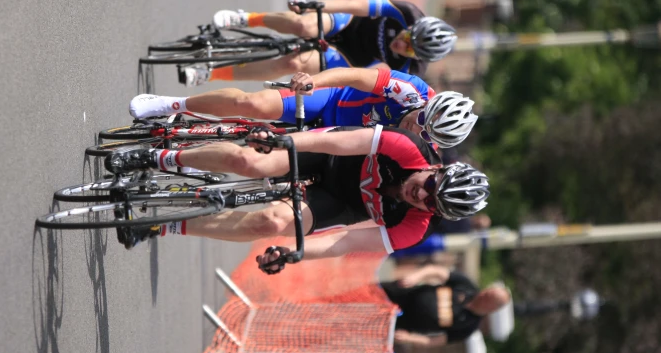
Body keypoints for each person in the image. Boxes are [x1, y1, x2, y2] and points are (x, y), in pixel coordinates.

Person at [104, 117, 490, 273]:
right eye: (431, 186)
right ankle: (163, 156)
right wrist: (282, 140)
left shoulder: (415, 227)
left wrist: (293, 256)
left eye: (430, 202)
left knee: (272, 222)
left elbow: (345, 240)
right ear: (436, 169)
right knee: (253, 163)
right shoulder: (407, 147)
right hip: (329, 157)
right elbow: (343, 142)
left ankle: (164, 225)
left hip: (339, 203)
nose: (421, 194)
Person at [130, 68, 478, 149]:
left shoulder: (422, 148)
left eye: (426, 135)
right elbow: (355, 75)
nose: (416, 131)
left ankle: (198, 150)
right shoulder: (412, 92)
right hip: (332, 100)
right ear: (426, 105)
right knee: (253, 104)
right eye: (421, 121)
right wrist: (314, 81)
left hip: (338, 140)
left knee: (262, 155)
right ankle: (170, 103)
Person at [180, 0, 457, 87]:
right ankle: (247, 19)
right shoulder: (406, 12)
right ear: (412, 27)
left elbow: (363, 79)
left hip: (351, 57)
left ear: (418, 58)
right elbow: (355, 4)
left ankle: (210, 74)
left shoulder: (412, 72)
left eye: (409, 50)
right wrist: (315, 4)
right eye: (407, 38)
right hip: (349, 23)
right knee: (303, 23)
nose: (402, 45)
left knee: (294, 62)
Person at [380, 264, 510, 346]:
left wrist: (409, 338)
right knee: (367, 293)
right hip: (403, 293)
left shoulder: (469, 326)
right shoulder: (466, 285)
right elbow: (435, 271)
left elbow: (434, 341)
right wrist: (416, 277)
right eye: (487, 291)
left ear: (492, 308)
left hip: (403, 323)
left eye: (488, 297)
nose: (483, 295)